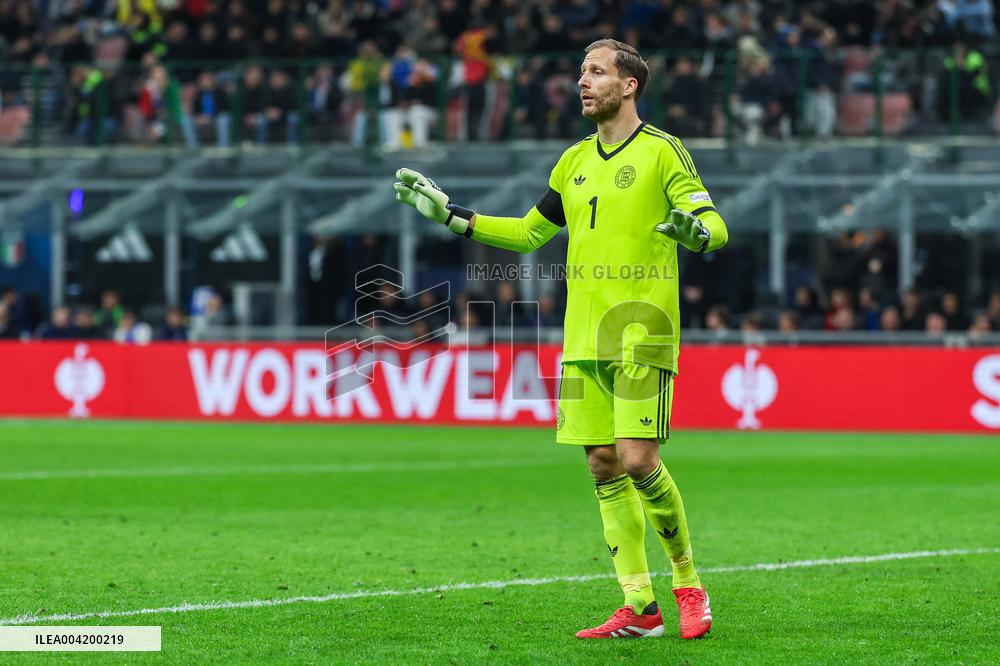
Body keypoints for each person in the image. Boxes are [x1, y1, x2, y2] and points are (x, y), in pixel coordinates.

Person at [393, 38, 727, 640]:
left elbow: (715, 224)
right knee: (602, 465)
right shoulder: (571, 162)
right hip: (581, 337)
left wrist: (696, 233)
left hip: (642, 329)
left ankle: (688, 583)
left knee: (637, 457)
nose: (583, 81)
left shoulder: (663, 153)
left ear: (629, 85)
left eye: (597, 72)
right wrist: (453, 216)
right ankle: (639, 605)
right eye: (581, 72)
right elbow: (527, 234)